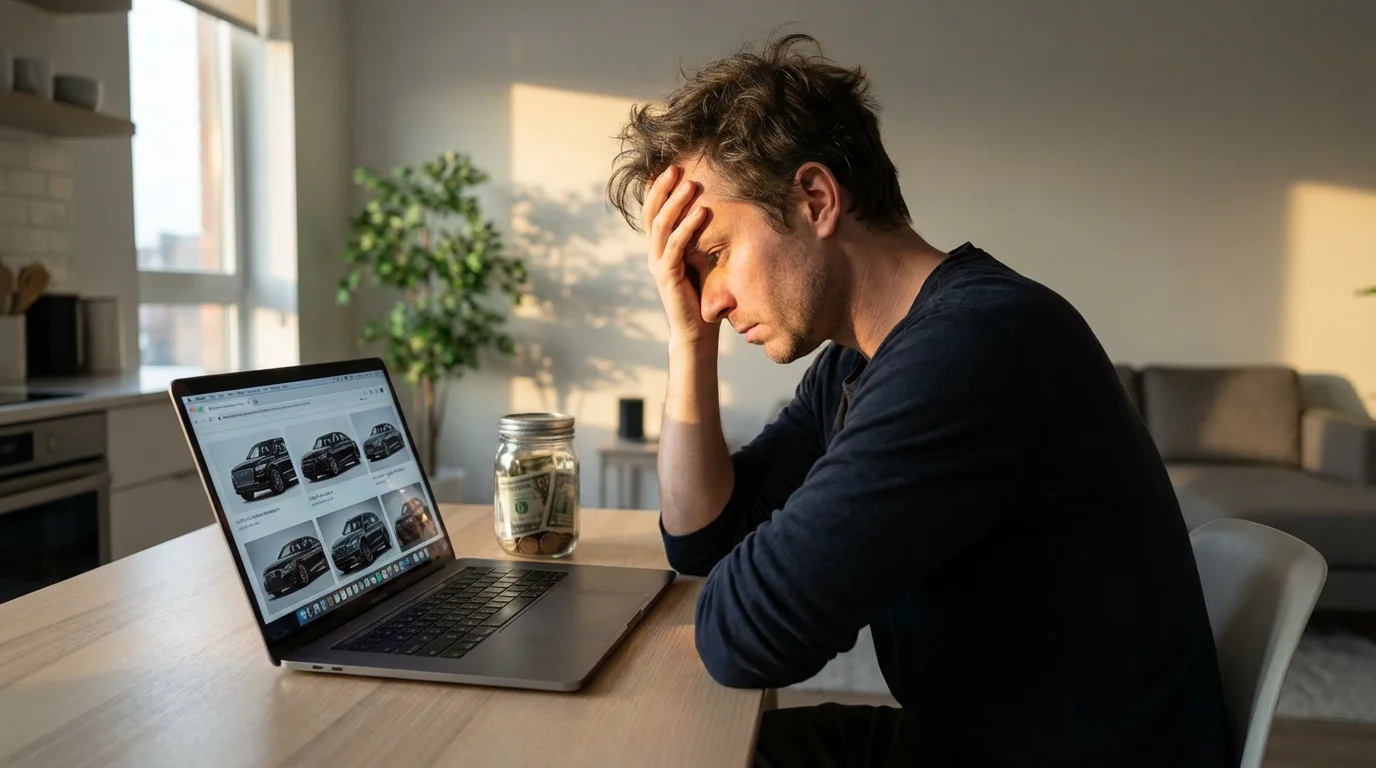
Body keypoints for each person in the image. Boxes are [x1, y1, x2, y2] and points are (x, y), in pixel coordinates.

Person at [606, 33, 1231, 767]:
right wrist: (688, 342)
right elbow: (706, 539)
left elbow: (751, 636)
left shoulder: (973, 350)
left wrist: (765, 574)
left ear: (815, 198)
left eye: (713, 260)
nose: (709, 301)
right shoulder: (857, 363)